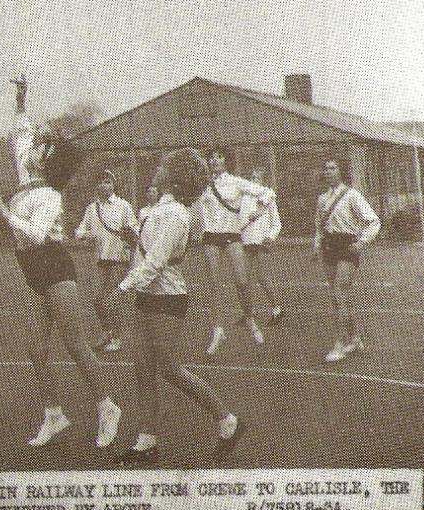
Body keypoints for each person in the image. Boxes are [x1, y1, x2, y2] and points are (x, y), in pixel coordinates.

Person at [0, 76, 122, 448]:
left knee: (75, 344)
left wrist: (2, 213)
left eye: (42, 147)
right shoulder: (26, 174)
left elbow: (37, 236)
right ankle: (53, 413)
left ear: (49, 161)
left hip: (54, 265)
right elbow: (20, 133)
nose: (32, 148)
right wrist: (21, 98)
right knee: (36, 348)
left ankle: (107, 406)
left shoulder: (50, 196)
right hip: (30, 268)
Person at [108, 149, 244, 464]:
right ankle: (146, 442)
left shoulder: (175, 214)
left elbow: (156, 262)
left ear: (174, 177)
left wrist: (121, 289)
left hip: (167, 297)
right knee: (142, 368)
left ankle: (227, 421)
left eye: (163, 167)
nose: (157, 170)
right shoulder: (154, 211)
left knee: (167, 367)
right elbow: (146, 255)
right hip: (148, 295)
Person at [196, 150, 275, 354]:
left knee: (241, 281)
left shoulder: (237, 182)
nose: (214, 160)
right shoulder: (202, 183)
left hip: (232, 235)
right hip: (211, 237)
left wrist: (258, 211)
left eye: (219, 156)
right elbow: (195, 208)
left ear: (226, 160)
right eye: (211, 157)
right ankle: (217, 329)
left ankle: (249, 318)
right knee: (213, 284)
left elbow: (268, 193)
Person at [314, 159, 381, 362]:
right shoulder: (322, 199)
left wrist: (362, 242)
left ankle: (340, 343)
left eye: (332, 168)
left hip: (347, 246)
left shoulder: (352, 195)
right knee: (337, 297)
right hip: (329, 247)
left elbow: (373, 221)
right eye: (325, 168)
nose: (328, 171)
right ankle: (353, 338)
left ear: (341, 171)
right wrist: (316, 246)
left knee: (340, 291)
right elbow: (319, 225)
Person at [74, 169, 137, 354]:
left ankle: (115, 337)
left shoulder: (124, 206)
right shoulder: (92, 209)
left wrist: (130, 234)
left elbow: (134, 229)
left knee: (110, 299)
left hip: (119, 258)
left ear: (113, 184)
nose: (105, 185)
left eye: (108, 182)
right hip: (101, 259)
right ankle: (109, 332)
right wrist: (87, 235)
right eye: (101, 182)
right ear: (97, 186)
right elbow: (78, 231)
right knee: (97, 300)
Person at [240, 168, 284, 325]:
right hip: (246, 241)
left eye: (257, 178)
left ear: (263, 181)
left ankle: (277, 309)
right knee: (244, 278)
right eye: (251, 177)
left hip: (261, 243)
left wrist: (270, 237)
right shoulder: (244, 198)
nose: (253, 180)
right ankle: (248, 314)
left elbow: (277, 223)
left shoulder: (268, 197)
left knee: (262, 277)